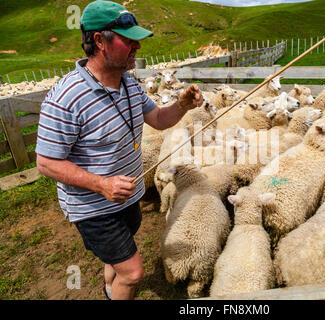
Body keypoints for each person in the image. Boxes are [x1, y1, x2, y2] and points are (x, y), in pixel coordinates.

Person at [35, 0, 203, 300]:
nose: (137, 46)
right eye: (128, 40)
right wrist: (102, 184)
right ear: (100, 40)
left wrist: (181, 106)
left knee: (118, 257)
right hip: (93, 207)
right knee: (132, 272)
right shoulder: (66, 98)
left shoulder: (130, 84)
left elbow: (159, 120)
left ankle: (109, 287)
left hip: (127, 194)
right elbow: (46, 163)